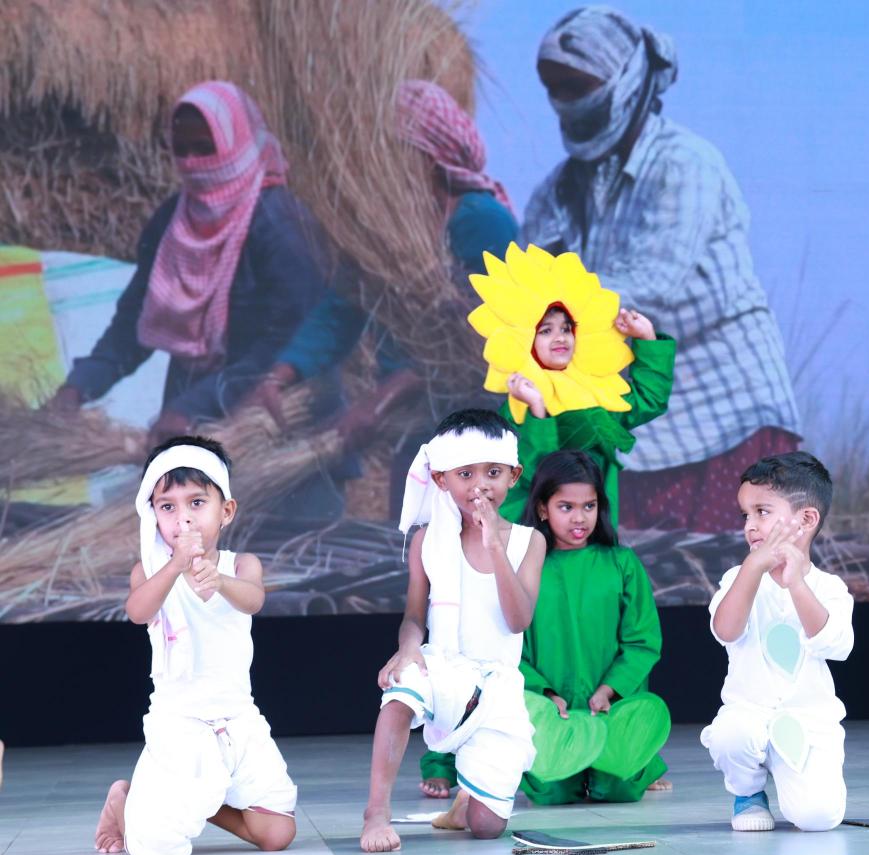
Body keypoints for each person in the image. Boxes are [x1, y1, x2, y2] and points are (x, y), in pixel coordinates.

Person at [525, 6, 800, 532]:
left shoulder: (685, 165)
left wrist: (537, 312)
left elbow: (649, 288)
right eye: (556, 88)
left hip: (725, 416)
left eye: (578, 86)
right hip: (635, 425)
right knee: (644, 566)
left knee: (725, 568)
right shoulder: (557, 192)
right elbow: (527, 286)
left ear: (626, 82)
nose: (566, 100)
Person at [242, 79, 521, 514]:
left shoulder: (480, 220)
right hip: (417, 426)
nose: (380, 166)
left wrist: (380, 400)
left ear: (429, 159)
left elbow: (475, 337)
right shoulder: (388, 230)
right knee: (413, 542)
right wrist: (279, 377)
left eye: (393, 153)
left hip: (478, 427)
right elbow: (341, 308)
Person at [51, 82, 328, 452]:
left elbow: (291, 342)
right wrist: (78, 387)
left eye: (205, 148)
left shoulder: (281, 226)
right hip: (185, 418)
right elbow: (134, 323)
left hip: (276, 422)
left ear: (239, 143)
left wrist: (193, 407)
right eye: (181, 150)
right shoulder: (174, 222)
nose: (192, 162)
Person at [93, 436, 297, 855]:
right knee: (156, 849)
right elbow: (137, 612)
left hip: (238, 717)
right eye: (167, 507)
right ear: (152, 515)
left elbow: (253, 600)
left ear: (226, 511)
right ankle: (126, 802)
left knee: (277, 832)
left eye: (197, 503)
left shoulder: (241, 565)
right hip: (180, 721)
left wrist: (218, 581)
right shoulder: (150, 570)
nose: (183, 518)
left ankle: (196, 800)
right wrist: (175, 566)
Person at [359, 410, 545, 851]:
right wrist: (408, 649)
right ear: (441, 480)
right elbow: (414, 615)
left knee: (486, 828)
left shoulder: (529, 541)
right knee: (401, 688)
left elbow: (518, 620)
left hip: (497, 685)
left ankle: (467, 803)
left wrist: (494, 545)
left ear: (514, 476)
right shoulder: (428, 539)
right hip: (442, 667)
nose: (480, 485)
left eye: (493, 472)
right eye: (465, 474)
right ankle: (376, 812)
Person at [465, 242, 675, 529]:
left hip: (593, 535)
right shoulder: (518, 406)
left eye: (566, 328)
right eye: (546, 330)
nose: (560, 337)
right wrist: (537, 410)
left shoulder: (596, 396)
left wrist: (647, 339)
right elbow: (532, 473)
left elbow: (649, 400)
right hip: (541, 540)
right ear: (525, 339)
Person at [701, 452, 853, 832]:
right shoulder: (737, 578)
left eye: (762, 512)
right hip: (749, 715)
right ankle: (748, 792)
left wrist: (796, 584)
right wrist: (752, 569)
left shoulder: (829, 587)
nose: (750, 525)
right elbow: (726, 630)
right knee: (730, 735)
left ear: (807, 520)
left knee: (818, 818)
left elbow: (834, 644)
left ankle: (794, 779)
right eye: (745, 515)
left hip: (807, 722)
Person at [516, 449, 673, 803]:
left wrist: (608, 690)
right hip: (554, 711)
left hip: (608, 707)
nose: (580, 518)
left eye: (589, 506)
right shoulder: (525, 568)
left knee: (618, 789)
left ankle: (640, 765)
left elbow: (642, 641)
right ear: (543, 508)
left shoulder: (621, 563)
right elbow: (509, 646)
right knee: (551, 793)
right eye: (566, 507)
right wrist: (545, 695)